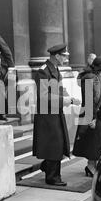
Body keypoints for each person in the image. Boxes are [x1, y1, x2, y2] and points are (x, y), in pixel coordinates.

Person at [33, 44, 81, 186]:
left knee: (56, 143)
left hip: (55, 111)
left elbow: (59, 89)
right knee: (55, 143)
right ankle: (52, 177)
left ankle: (47, 167)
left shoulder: (55, 69)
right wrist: (66, 100)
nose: (66, 58)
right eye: (64, 56)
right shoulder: (43, 71)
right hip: (47, 114)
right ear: (57, 56)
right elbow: (43, 96)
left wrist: (70, 99)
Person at [72, 56, 101, 177]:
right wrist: (92, 118)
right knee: (93, 141)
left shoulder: (96, 77)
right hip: (92, 113)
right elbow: (88, 101)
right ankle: (90, 166)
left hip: (99, 113)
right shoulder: (89, 79)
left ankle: (94, 164)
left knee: (99, 140)